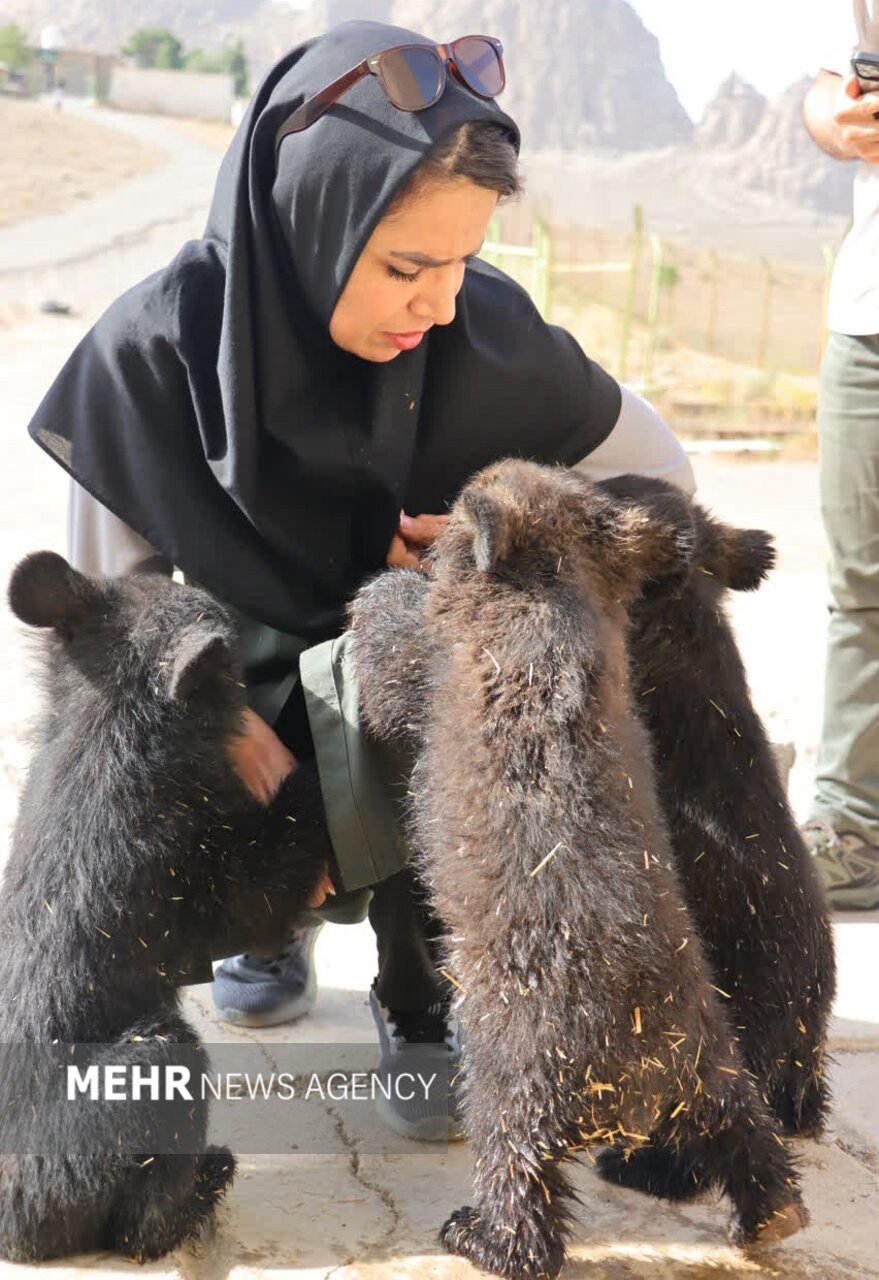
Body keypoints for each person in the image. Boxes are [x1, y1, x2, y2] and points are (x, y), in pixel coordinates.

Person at [30, 19, 694, 1139]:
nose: (439, 305)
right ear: (308, 224)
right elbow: (103, 616)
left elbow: (660, 481)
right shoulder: (153, 350)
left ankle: (428, 982)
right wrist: (213, 721)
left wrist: (500, 542)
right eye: (405, 268)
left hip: (402, 683)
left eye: (461, 263)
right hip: (241, 697)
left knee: (463, 668)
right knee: (121, 741)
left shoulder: (487, 340)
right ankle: (262, 924)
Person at [802, 3, 879, 911]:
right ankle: (851, 830)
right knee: (860, 587)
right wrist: (838, 115)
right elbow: (826, 87)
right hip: (868, 323)